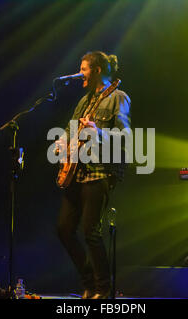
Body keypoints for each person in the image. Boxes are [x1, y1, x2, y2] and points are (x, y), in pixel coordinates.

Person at [54, 51, 131, 299]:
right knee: (64, 229)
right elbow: (70, 129)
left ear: (97, 70)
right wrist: (62, 141)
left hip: (100, 172)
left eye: (84, 69)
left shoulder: (118, 97)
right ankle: (89, 283)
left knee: (90, 230)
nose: (80, 74)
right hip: (78, 173)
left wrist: (98, 131)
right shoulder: (85, 101)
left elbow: (126, 138)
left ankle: (103, 289)